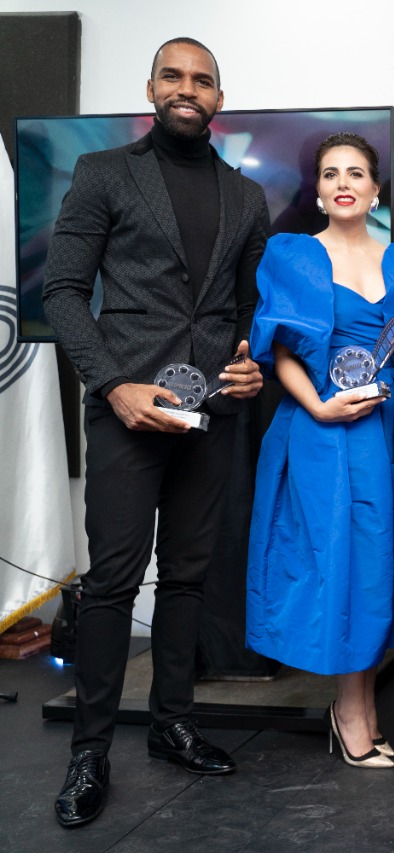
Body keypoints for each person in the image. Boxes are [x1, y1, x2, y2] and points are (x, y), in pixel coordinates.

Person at [42, 37, 268, 827]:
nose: (187, 88)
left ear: (218, 100)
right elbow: (63, 291)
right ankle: (89, 752)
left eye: (202, 80)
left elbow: (247, 309)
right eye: (173, 76)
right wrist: (114, 385)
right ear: (150, 88)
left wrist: (249, 363)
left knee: (188, 577)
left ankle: (174, 724)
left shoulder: (247, 196)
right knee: (112, 580)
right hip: (127, 410)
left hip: (211, 415)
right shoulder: (104, 173)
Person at [245, 133, 394, 769]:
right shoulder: (293, 255)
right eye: (330, 174)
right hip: (325, 431)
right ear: (318, 191)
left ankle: (363, 703)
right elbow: (282, 351)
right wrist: (319, 407)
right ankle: (351, 710)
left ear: (376, 189)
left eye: (355, 173)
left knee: (385, 565)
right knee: (344, 564)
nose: (343, 183)